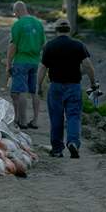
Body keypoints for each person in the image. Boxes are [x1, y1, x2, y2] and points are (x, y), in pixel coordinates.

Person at [37, 18, 98, 159]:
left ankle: (57, 149)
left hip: (56, 87)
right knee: (74, 116)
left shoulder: (49, 46)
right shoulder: (78, 45)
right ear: (69, 30)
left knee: (56, 118)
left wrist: (38, 86)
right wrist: (93, 83)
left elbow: (42, 68)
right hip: (74, 86)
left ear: (56, 30)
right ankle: (73, 142)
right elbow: (88, 65)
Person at [6, 0, 45, 130]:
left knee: (21, 91)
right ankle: (35, 120)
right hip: (34, 62)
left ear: (17, 11)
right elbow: (43, 44)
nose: (15, 15)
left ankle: (22, 121)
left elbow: (13, 46)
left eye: (15, 13)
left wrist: (8, 63)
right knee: (34, 92)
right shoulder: (39, 24)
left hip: (21, 61)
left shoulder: (18, 25)